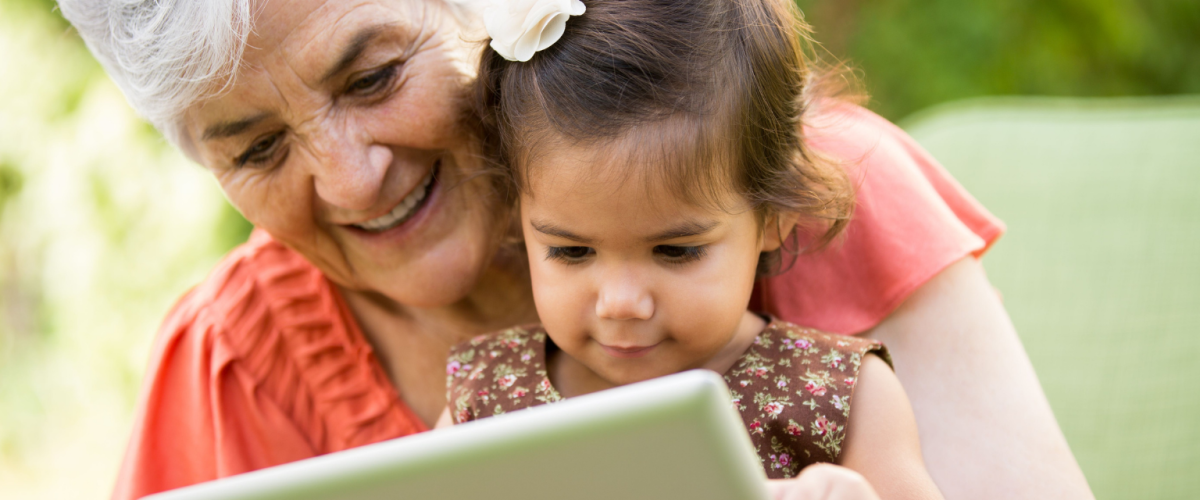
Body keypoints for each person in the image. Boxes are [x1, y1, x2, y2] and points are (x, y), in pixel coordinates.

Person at [55, 0, 1092, 499]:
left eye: (373, 79)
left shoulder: (830, 196)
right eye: (259, 146)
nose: (350, 178)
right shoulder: (233, 363)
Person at [441, 2, 942, 498]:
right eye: (572, 252)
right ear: (519, 219)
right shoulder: (485, 398)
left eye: (675, 251)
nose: (621, 302)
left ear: (773, 218)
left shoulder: (839, 397)